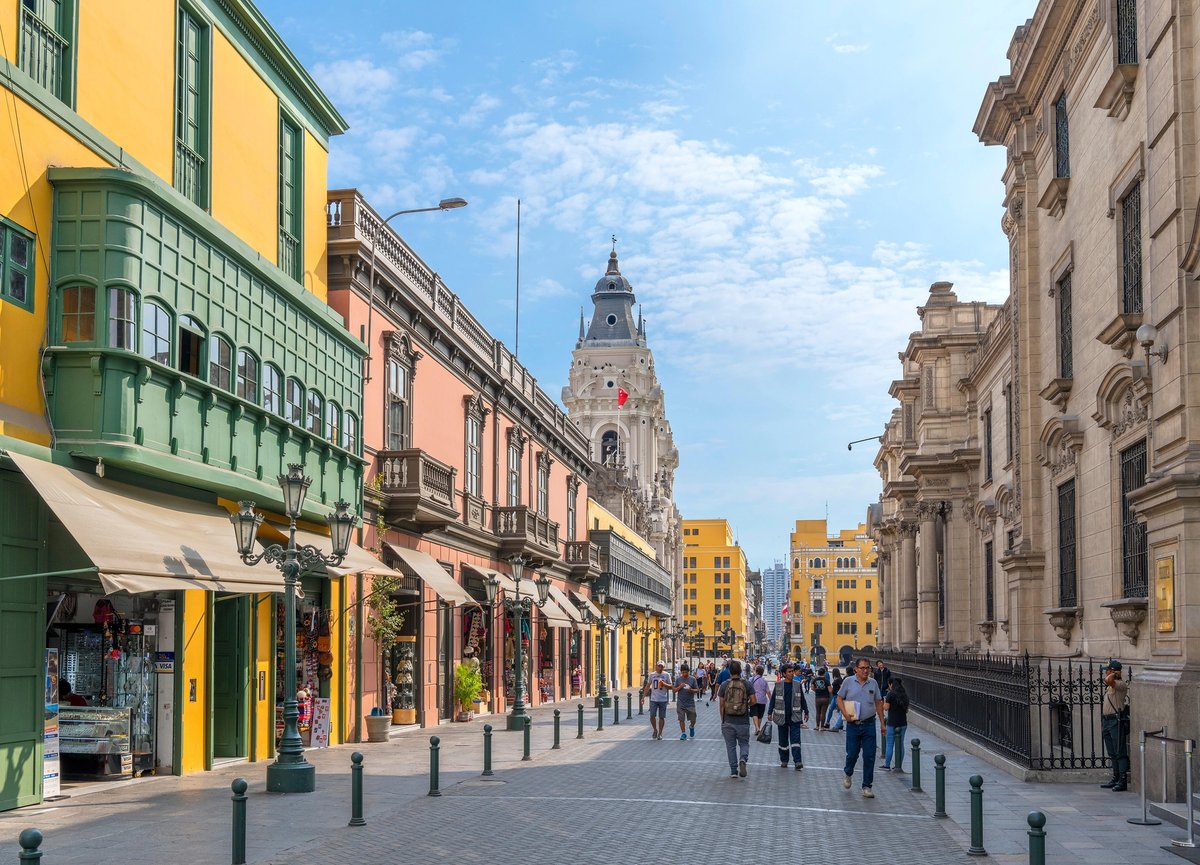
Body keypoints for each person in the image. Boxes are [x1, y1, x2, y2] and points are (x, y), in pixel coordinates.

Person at [838, 657, 886, 798]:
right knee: (852, 754)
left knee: (869, 756)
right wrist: (845, 714)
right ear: (856, 669)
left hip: (869, 724)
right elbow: (839, 698)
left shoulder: (873, 683)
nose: (866, 670)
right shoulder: (848, 681)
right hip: (853, 724)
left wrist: (883, 723)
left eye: (868, 668)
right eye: (863, 668)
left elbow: (878, 703)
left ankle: (867, 786)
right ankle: (848, 772)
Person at [718, 660, 754, 778]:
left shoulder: (724, 685)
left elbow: (722, 704)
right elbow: (754, 700)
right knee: (744, 743)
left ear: (729, 671)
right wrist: (745, 704)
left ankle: (733, 771)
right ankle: (743, 759)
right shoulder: (747, 684)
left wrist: (722, 719)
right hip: (743, 721)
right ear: (740, 671)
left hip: (728, 720)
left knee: (730, 746)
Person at [767, 663, 805, 770]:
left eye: (792, 671)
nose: (792, 673)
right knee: (783, 740)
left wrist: (806, 711)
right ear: (784, 674)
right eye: (789, 672)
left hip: (795, 717)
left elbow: (802, 699)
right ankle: (784, 760)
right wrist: (770, 712)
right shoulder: (778, 685)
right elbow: (773, 699)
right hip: (781, 717)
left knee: (796, 740)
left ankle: (798, 761)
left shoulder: (797, 684)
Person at [1101, 659, 1130, 791]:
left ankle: (1122, 780)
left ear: (1112, 671)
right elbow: (1107, 681)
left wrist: (1114, 673)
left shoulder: (1120, 685)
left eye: (1107, 670)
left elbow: (1108, 680)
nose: (1105, 673)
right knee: (1112, 752)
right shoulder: (1111, 685)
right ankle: (1116, 777)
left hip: (1115, 721)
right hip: (1107, 721)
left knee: (1119, 751)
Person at [882, 677, 909, 772]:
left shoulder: (890, 694)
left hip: (892, 722)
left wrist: (885, 701)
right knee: (901, 744)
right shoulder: (904, 694)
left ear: (891, 684)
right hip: (903, 722)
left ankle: (887, 765)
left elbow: (885, 708)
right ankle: (898, 765)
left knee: (890, 744)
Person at [643, 660, 672, 740]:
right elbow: (648, 685)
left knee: (661, 717)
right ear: (656, 666)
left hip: (663, 699)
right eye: (659, 666)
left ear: (664, 667)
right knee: (652, 715)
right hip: (653, 699)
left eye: (662, 666)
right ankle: (655, 730)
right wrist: (643, 697)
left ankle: (660, 732)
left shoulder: (667, 675)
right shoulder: (652, 675)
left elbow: (671, 686)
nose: (660, 668)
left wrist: (664, 684)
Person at [673, 663, 700, 740]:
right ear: (681, 672)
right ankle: (683, 733)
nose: (685, 674)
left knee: (693, 719)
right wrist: (679, 687)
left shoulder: (692, 679)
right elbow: (674, 690)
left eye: (686, 672)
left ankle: (691, 726)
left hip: (690, 703)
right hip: (680, 702)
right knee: (681, 718)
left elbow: (697, 690)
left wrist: (691, 690)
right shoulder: (678, 679)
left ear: (688, 672)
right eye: (683, 672)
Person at [748, 665, 771, 735]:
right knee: (760, 715)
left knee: (754, 713)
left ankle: (757, 728)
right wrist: (772, 701)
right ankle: (757, 729)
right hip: (762, 700)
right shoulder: (764, 681)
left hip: (753, 699)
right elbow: (768, 692)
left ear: (756, 671)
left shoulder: (751, 679)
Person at [812, 666, 831, 730]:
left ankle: (817, 726)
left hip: (818, 698)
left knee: (818, 712)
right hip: (825, 698)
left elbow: (812, 688)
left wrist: (817, 690)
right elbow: (830, 690)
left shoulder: (814, 680)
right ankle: (822, 727)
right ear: (824, 673)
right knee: (823, 713)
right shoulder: (826, 680)